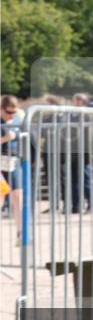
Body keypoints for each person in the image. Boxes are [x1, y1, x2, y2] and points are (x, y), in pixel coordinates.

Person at [1, 95, 24, 241]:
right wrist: (4, 139)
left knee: (18, 197)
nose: (11, 116)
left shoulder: (17, 121)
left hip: (13, 160)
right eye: (9, 112)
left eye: (14, 113)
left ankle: (21, 233)